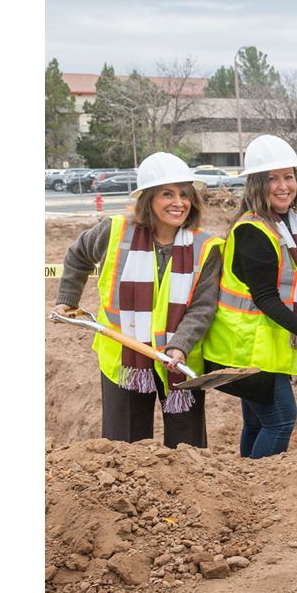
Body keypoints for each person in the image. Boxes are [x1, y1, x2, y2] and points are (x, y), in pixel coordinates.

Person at [53, 152, 221, 447]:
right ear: (148, 200)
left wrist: (180, 347)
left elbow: (202, 307)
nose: (178, 202)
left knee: (187, 445)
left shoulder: (205, 247)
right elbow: (77, 254)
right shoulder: (115, 231)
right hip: (124, 357)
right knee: (125, 444)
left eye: (184, 194)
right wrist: (68, 297)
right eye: (167, 194)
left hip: (179, 358)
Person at [201, 135, 297, 458]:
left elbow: (290, 287)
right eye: (273, 179)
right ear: (257, 184)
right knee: (282, 420)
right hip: (246, 350)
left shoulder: (285, 224)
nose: (283, 186)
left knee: (257, 424)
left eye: (288, 177)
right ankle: (257, 491)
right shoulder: (255, 231)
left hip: (261, 348)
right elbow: (267, 298)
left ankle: (244, 487)